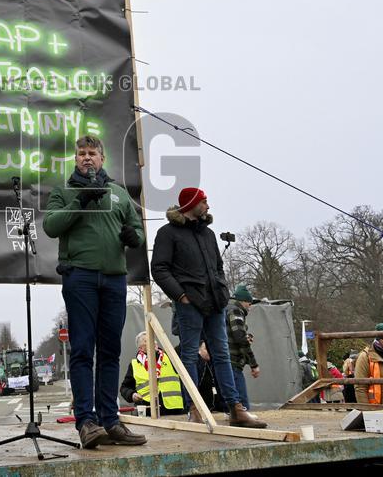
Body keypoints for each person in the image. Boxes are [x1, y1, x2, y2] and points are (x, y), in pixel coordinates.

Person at [43, 135, 147, 448]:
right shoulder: (63, 191)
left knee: (111, 351)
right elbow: (51, 226)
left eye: (92, 153)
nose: (87, 157)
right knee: (83, 350)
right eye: (81, 153)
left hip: (114, 279)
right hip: (80, 277)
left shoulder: (119, 193)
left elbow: (137, 229)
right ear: (75, 159)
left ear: (102, 158)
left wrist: (134, 236)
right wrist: (81, 200)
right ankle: (86, 423)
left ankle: (110, 421)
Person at [151, 187, 266, 429]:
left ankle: (235, 408)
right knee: (190, 355)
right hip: (190, 303)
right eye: (204, 201)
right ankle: (194, 408)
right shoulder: (168, 233)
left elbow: (218, 267)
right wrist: (181, 295)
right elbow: (159, 268)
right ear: (191, 204)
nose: (208, 206)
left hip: (215, 303)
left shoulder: (208, 234)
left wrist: (222, 291)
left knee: (222, 354)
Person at [119, 332, 186, 416]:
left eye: (153, 339)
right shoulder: (134, 364)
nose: (153, 341)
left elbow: (186, 344)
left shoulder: (170, 357)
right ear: (140, 348)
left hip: (174, 410)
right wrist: (132, 395)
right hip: (148, 412)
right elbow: (124, 388)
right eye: (146, 340)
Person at [225, 284, 260, 410]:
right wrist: (253, 364)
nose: (250, 307)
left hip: (226, 360)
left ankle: (233, 413)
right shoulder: (235, 311)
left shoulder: (226, 309)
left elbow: (234, 334)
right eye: (249, 304)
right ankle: (242, 413)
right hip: (233, 361)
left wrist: (246, 336)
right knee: (242, 401)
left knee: (231, 397)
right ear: (243, 301)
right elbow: (239, 338)